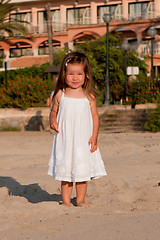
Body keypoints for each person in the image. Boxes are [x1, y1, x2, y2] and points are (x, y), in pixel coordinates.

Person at [48, 52, 107, 207]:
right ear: (64, 75)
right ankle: (66, 201)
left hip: (83, 139)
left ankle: (80, 200)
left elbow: (95, 116)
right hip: (66, 139)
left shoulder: (89, 95)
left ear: (86, 75)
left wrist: (94, 137)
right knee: (66, 171)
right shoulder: (61, 94)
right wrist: (53, 120)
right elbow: (53, 111)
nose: (75, 78)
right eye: (71, 74)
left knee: (82, 171)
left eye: (79, 74)